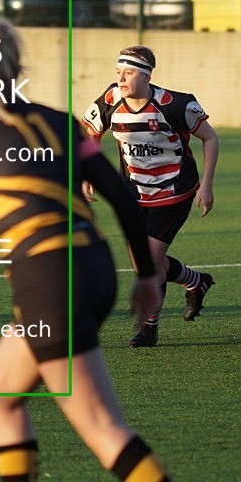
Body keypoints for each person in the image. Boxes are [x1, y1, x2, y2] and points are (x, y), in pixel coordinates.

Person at [0, 16, 171, 482]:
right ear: (18, 68)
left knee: (102, 428)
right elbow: (122, 197)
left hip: (49, 282)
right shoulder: (64, 123)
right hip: (95, 269)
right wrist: (145, 277)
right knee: (0, 393)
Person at [82, 45, 219, 347]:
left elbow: (210, 137)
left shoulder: (175, 105)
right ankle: (196, 282)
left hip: (174, 192)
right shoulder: (110, 100)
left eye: (128, 73)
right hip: (133, 194)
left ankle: (149, 328)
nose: (121, 79)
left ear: (146, 77)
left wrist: (206, 186)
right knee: (144, 264)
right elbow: (89, 131)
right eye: (118, 72)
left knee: (150, 261)